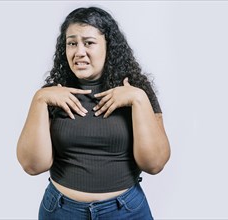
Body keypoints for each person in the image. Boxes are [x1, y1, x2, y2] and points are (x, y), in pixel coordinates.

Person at [17, 6, 170, 220]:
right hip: (62, 212)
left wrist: (138, 99)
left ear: (108, 46)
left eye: (89, 43)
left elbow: (155, 164)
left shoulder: (135, 91)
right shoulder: (54, 92)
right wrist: (39, 99)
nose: (79, 52)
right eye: (72, 43)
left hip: (125, 212)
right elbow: (33, 166)